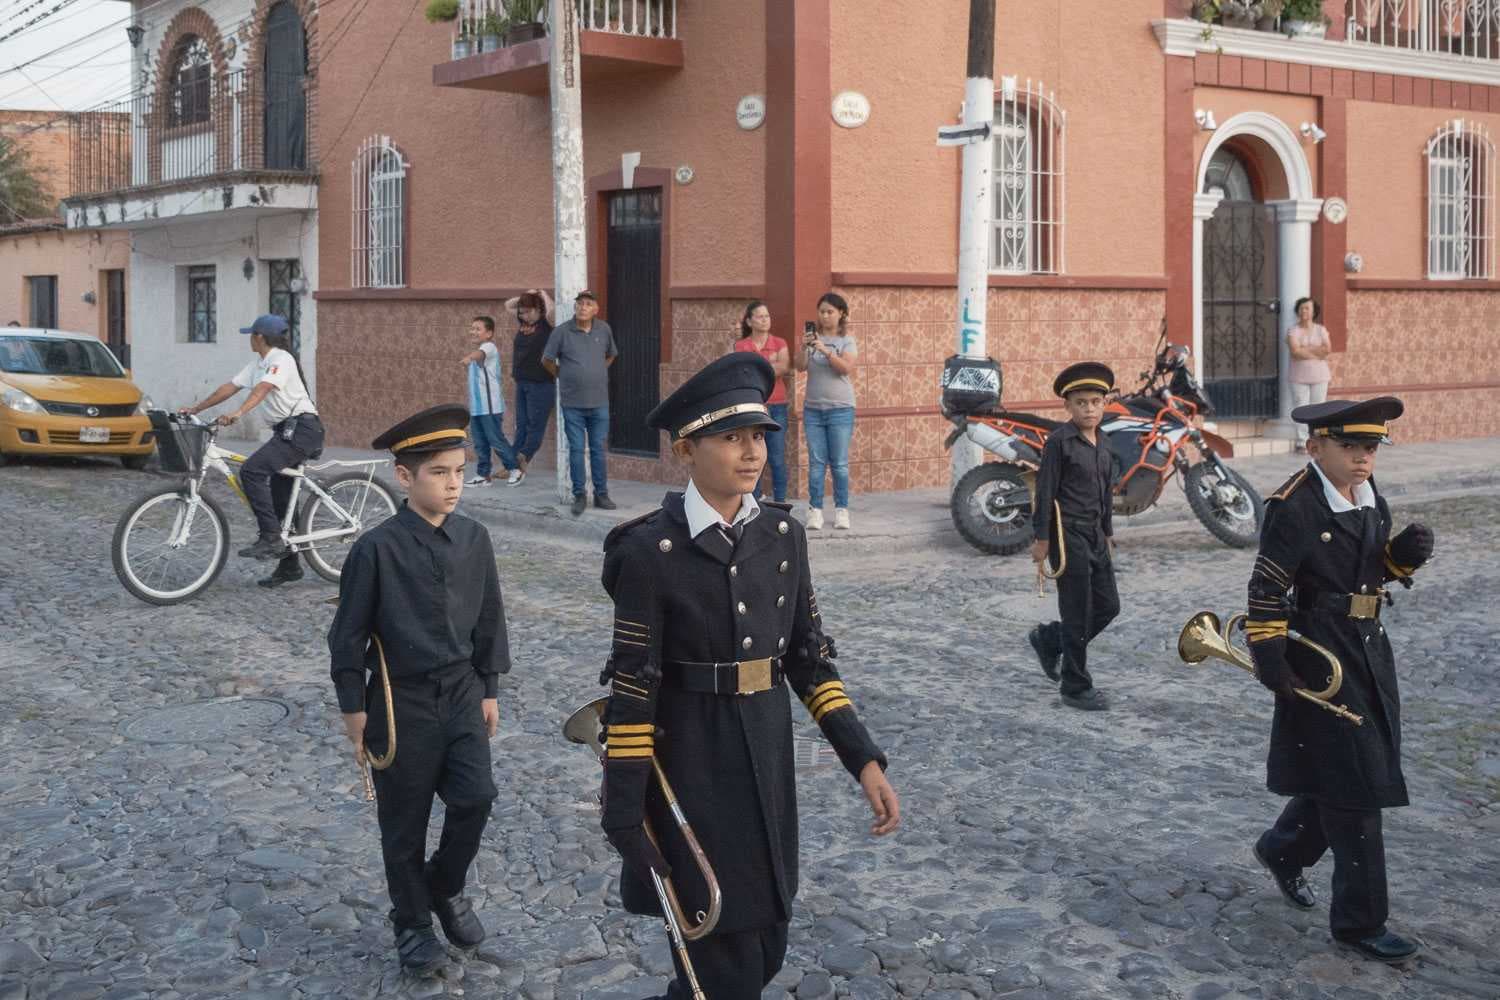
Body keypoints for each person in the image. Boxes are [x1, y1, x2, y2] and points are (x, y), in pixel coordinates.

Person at [597, 353, 900, 1000]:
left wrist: (863, 758)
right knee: (720, 958)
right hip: (691, 769)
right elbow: (632, 686)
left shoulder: (785, 536)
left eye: (758, 436)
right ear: (687, 448)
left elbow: (809, 660)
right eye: (730, 437)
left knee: (765, 945)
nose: (750, 452)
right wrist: (623, 814)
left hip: (767, 762)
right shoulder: (649, 553)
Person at [1245, 396, 1433, 965]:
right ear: (1315, 446)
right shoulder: (1294, 506)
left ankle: (1283, 849)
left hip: (1369, 651)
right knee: (1358, 785)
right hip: (1316, 652)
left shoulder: (1372, 498)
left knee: (1345, 767)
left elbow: (1370, 571)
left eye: (1371, 448)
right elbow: (1266, 587)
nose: (1362, 459)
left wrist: (1401, 559)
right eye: (1349, 447)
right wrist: (1270, 657)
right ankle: (1359, 922)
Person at [327, 403, 511, 977]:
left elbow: (490, 617)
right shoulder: (376, 549)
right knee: (403, 824)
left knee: (476, 796)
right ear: (404, 478)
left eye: (459, 471)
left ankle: (445, 886)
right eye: (438, 472)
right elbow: (348, 635)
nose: (453, 483)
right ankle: (412, 926)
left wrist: (490, 686)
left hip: (460, 694)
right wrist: (353, 708)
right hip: (398, 702)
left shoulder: (475, 539)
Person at [179, 314, 324, 587]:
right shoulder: (259, 363)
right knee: (280, 501)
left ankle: (270, 537)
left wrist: (239, 413)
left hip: (303, 431)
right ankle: (290, 565)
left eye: (251, 334)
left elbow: (263, 389)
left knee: (252, 471)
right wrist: (196, 409)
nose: (249, 339)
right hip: (286, 432)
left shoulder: (281, 359)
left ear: (259, 337)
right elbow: (229, 387)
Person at [1027, 362, 1120, 712]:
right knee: (1078, 612)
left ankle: (1050, 638)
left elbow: (1105, 493)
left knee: (1109, 606)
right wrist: (1041, 539)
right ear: (1067, 406)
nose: (1089, 409)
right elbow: (1045, 490)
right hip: (1067, 535)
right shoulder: (1059, 442)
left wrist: (1108, 533)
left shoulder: (1105, 443)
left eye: (1095, 401)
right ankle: (1075, 686)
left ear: (1105, 404)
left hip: (1095, 534)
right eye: (1081, 403)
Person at [543, 290, 618, 516]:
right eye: (579, 304)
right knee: (576, 449)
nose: (583, 307)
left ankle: (601, 494)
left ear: (595, 309)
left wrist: (596, 371)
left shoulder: (604, 329)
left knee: (597, 449)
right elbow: (546, 360)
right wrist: (563, 374)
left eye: (588, 304)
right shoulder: (561, 332)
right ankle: (579, 495)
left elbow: (611, 354)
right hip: (572, 402)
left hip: (599, 402)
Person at [793, 292, 857, 530]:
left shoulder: (846, 341)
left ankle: (842, 510)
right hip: (813, 410)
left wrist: (825, 350)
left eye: (830, 311)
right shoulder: (812, 339)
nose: (825, 315)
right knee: (816, 463)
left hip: (841, 409)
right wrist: (804, 347)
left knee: (839, 464)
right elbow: (799, 367)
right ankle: (815, 510)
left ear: (841, 314)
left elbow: (845, 368)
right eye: (822, 311)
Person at [732, 300, 790, 502]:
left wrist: (756, 365)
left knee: (776, 457)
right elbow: (742, 373)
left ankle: (781, 501)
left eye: (767, 316)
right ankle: (753, 501)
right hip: (753, 406)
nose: (765, 320)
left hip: (778, 405)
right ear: (749, 321)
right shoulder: (741, 345)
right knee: (752, 455)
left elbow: (783, 367)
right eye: (760, 316)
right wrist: (769, 363)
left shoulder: (780, 343)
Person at [458, 315, 519, 486]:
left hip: (490, 406)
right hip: (477, 408)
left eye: (478, 329)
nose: (473, 332)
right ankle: (483, 475)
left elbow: (479, 354)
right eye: (472, 328)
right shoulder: (479, 351)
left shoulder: (489, 347)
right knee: (480, 442)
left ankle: (515, 469)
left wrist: (470, 358)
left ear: (489, 333)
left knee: (495, 439)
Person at [505, 289, 556, 482]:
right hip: (522, 382)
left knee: (535, 426)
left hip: (541, 384)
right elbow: (508, 305)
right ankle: (512, 465)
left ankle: (521, 459)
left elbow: (550, 309)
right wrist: (525, 296)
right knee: (522, 425)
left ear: (538, 310)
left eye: (528, 311)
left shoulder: (546, 325)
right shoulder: (523, 324)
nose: (524, 316)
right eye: (522, 312)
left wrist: (541, 294)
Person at [1287, 297, 1333, 453]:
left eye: (1307, 308)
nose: (1304, 311)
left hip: (1320, 376)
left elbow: (1326, 349)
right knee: (1301, 407)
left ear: (1314, 312)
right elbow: (1295, 352)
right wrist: (1315, 351)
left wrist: (1304, 349)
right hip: (1298, 376)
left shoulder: (1321, 330)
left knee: (1319, 408)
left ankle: (1318, 440)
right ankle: (1302, 441)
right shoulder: (1293, 330)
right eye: (1301, 308)